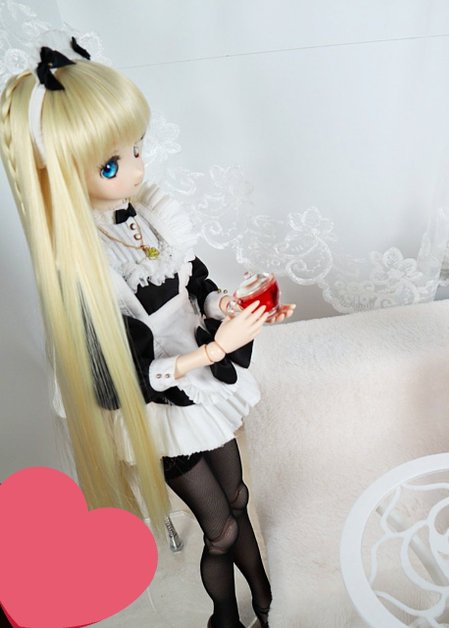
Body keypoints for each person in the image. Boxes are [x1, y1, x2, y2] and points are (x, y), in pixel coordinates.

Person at [0, 39, 293, 628]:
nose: (135, 169)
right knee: (219, 528)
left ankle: (262, 594)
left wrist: (226, 304)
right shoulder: (83, 265)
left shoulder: (149, 215)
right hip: (159, 408)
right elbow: (121, 378)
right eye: (112, 165)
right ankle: (226, 617)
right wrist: (216, 348)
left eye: (136, 149)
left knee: (238, 498)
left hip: (201, 384)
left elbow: (191, 280)